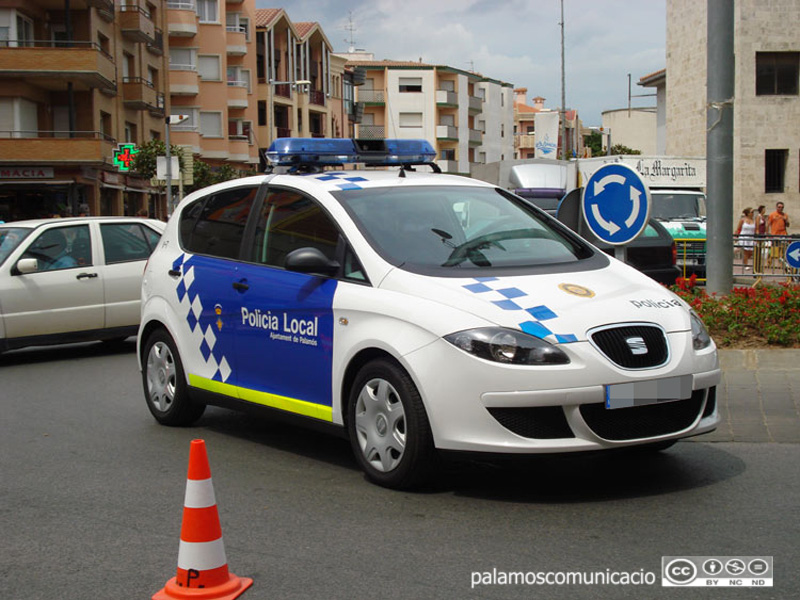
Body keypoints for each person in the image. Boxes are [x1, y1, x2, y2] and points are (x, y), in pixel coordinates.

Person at [767, 202, 790, 268]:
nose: (780, 208)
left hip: (783, 234)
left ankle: (780, 263)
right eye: (779, 207)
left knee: (782, 249)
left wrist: (786, 220)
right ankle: (769, 262)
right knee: (773, 249)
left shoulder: (785, 215)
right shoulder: (772, 215)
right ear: (776, 207)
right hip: (774, 234)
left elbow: (788, 225)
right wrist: (767, 234)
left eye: (782, 207)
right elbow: (768, 224)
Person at [735, 207, 756, 272]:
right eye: (751, 212)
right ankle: (746, 264)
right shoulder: (743, 220)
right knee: (746, 252)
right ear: (748, 213)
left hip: (751, 238)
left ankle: (745, 261)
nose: (753, 213)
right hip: (744, 237)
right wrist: (736, 237)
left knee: (750, 252)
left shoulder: (754, 220)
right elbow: (738, 229)